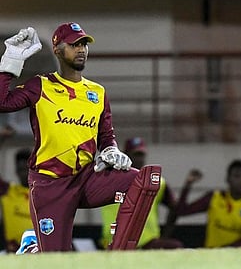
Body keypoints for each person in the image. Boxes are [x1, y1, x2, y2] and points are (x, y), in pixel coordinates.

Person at [0, 24, 162, 252]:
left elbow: (106, 136)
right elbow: (2, 102)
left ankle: (118, 254)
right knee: (56, 261)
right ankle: (34, 249)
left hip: (86, 179)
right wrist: (10, 62)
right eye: (74, 44)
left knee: (143, 180)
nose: (81, 49)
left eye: (84, 44)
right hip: (50, 184)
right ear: (57, 49)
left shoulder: (98, 93)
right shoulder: (41, 85)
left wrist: (111, 150)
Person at [100, 137, 183, 249]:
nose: (139, 159)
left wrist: (165, 235)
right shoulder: (110, 179)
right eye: (135, 154)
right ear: (126, 155)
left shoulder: (157, 182)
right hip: (113, 241)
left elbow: (175, 208)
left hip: (147, 241)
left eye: (141, 155)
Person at [176, 159, 241, 248]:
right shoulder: (214, 198)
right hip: (212, 255)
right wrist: (188, 185)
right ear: (228, 179)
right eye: (236, 176)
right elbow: (182, 211)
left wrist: (230, 249)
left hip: (237, 256)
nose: (240, 181)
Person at [0, 148, 32, 253]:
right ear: (16, 171)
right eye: (21, 170)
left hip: (38, 251)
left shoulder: (44, 194)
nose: (24, 174)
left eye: (26, 169)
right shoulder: (8, 191)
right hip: (13, 251)